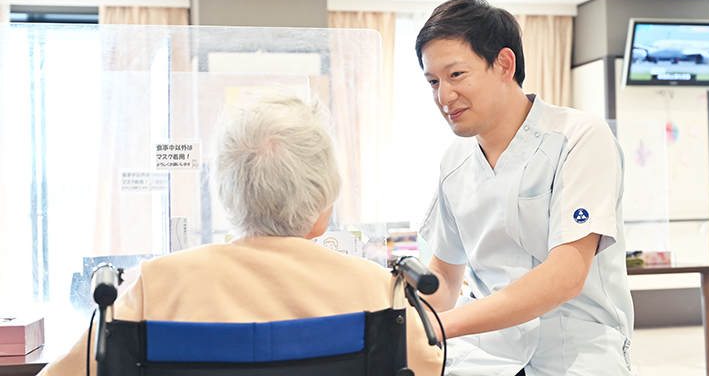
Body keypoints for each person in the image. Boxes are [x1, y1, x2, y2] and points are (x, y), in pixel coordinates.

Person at [38, 92, 443, 376]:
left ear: (228, 196)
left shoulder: (154, 284)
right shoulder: (376, 288)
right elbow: (429, 366)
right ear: (324, 205)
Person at [415, 0, 634, 376]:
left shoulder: (579, 137)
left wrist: (439, 327)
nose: (443, 97)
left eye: (455, 75)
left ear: (504, 64)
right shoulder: (454, 162)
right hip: (486, 349)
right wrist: (401, 318)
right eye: (433, 81)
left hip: (576, 348)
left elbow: (565, 276)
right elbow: (445, 277)